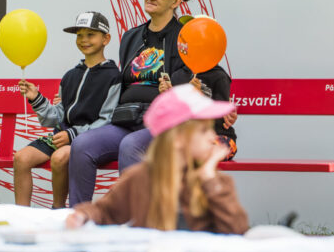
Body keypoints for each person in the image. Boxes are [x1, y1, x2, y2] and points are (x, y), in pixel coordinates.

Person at [68, 0, 193, 205]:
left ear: (176, 2)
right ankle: (79, 215)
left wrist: (174, 87)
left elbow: (194, 79)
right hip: (128, 119)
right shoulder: (131, 36)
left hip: (164, 124)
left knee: (131, 145)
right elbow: (121, 81)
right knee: (82, 145)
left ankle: (134, 219)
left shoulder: (185, 38)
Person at [66, 84, 248, 233]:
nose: (212, 137)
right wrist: (82, 215)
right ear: (177, 139)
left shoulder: (216, 181)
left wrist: (210, 180)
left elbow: (237, 230)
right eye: (203, 130)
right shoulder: (139, 178)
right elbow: (105, 212)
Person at [14, 11, 119, 208]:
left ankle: (58, 210)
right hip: (61, 136)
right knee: (21, 158)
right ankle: (20, 216)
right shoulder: (70, 75)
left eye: (90, 34)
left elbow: (108, 120)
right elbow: (56, 117)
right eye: (79, 35)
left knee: (59, 157)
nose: (84, 40)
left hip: (87, 140)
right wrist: (36, 98)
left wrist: (72, 135)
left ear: (106, 39)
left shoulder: (114, 76)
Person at [116, 62, 239, 171]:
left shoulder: (219, 76)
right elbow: (175, 115)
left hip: (219, 136)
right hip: (187, 137)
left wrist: (199, 98)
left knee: (193, 153)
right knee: (171, 151)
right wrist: (167, 94)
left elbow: (221, 119)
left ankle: (196, 185)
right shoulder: (178, 75)